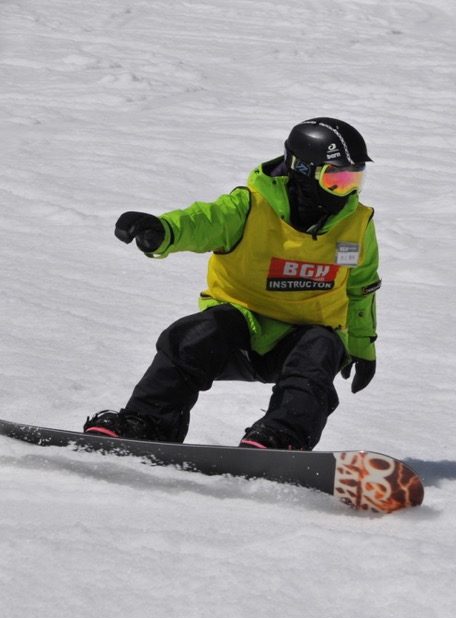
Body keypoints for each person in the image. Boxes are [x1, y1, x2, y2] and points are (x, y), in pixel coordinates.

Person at [83, 117, 380, 450]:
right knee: (191, 336)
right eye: (336, 180)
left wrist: (361, 347)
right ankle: (147, 423)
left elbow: (360, 287)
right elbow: (204, 221)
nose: (347, 192)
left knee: (321, 348)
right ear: (302, 170)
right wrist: (164, 231)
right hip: (240, 328)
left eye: (355, 179)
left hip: (303, 336)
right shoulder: (250, 208)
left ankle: (281, 438)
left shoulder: (354, 225)